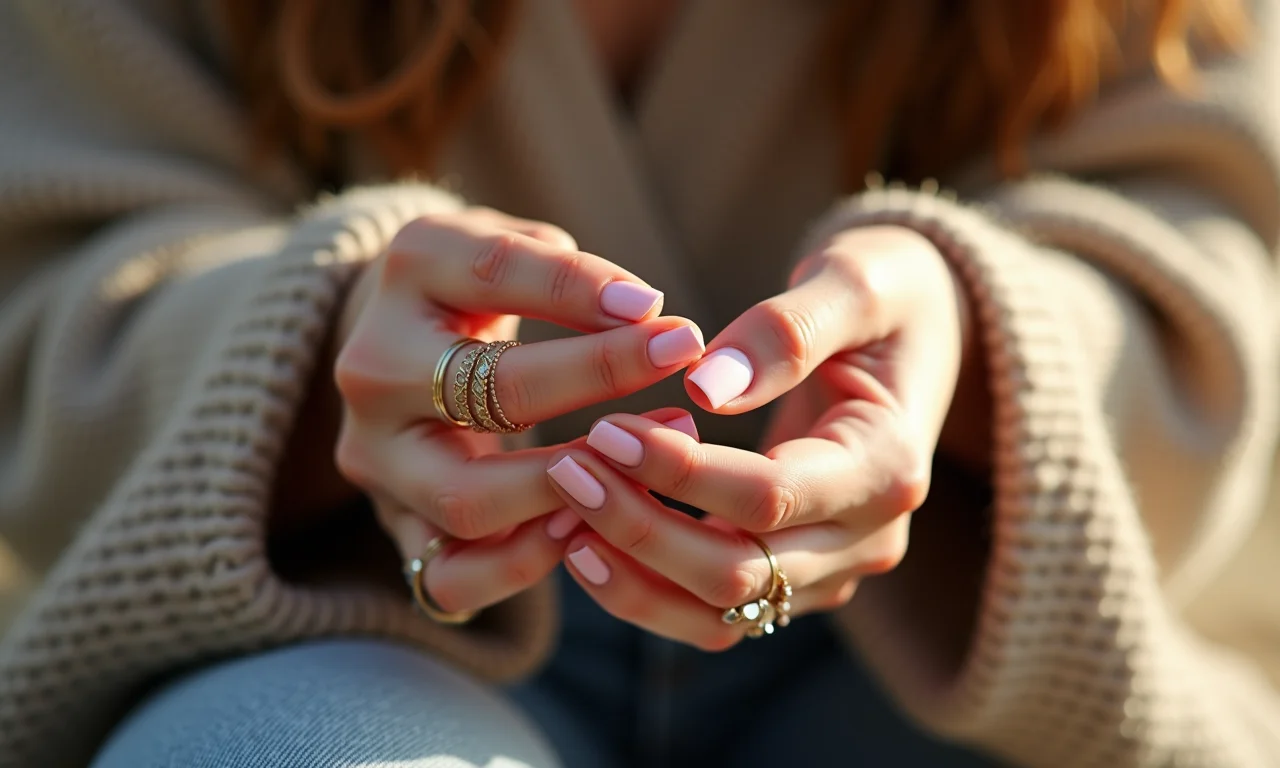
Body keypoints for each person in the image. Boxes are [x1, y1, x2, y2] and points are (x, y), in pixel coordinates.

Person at [1, 0, 1279, 765]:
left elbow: (1227, 242)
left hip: (942, 650)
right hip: (362, 625)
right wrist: (315, 349)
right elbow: (47, 265)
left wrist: (980, 339)